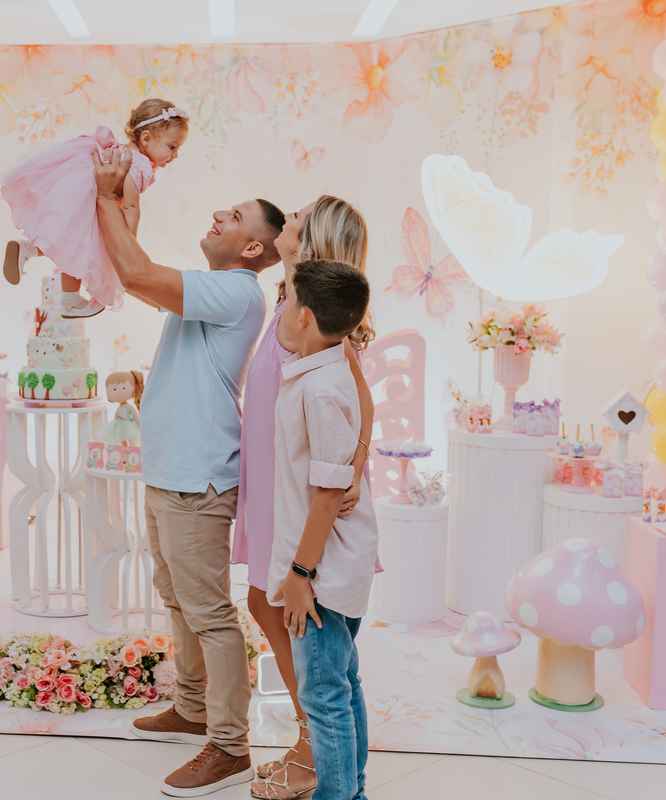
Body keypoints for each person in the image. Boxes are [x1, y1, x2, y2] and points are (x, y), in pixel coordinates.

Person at [92, 145, 284, 797]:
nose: (218, 215)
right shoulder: (215, 292)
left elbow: (136, 272)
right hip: (170, 469)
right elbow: (137, 268)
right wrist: (125, 205)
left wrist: (102, 198)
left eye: (233, 217)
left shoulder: (234, 290)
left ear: (253, 250)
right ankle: (195, 706)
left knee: (208, 612)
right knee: (178, 598)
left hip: (198, 477)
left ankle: (229, 745)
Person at [235, 196, 376, 799]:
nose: (284, 219)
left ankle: (315, 749)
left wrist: (353, 466)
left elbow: (359, 404)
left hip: (303, 489)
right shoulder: (289, 303)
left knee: (291, 611)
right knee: (265, 600)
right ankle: (317, 744)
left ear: (309, 237)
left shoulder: (313, 323)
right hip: (278, 479)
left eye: (295, 217)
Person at [269, 259, 379, 800]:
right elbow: (368, 407)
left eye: (286, 303)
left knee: (323, 694)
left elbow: (328, 494)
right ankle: (351, 790)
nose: (282, 314)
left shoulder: (319, 388)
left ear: (306, 316)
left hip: (321, 568)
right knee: (342, 681)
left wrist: (299, 574)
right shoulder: (337, 367)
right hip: (334, 559)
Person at [0, 98, 189, 318]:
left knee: (70, 245)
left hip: (77, 191)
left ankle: (28, 250)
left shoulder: (118, 151)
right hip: (92, 201)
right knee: (78, 249)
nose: (174, 155)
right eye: (172, 147)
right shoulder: (139, 164)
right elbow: (131, 204)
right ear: (146, 138)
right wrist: (129, 241)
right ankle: (69, 301)